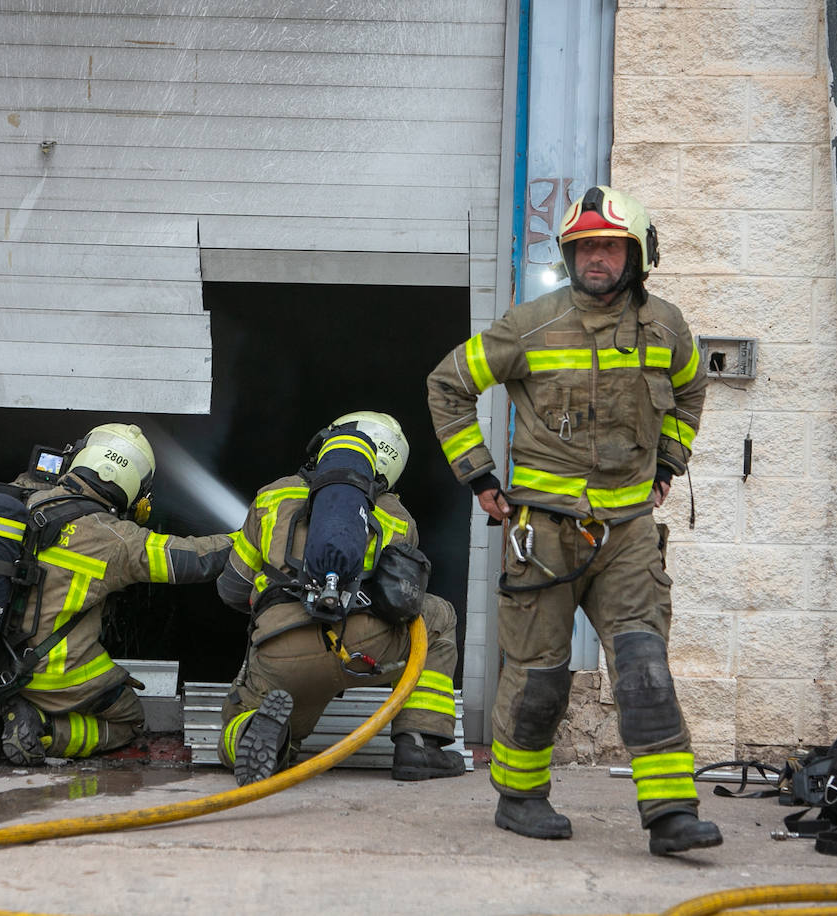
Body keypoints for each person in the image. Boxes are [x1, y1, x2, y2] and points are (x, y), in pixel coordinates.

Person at [427, 186, 719, 855]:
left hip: (628, 534)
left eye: (609, 246)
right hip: (544, 534)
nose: (595, 258)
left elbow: (693, 385)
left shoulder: (668, 328)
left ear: (638, 255)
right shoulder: (529, 326)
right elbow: (447, 384)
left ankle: (671, 812)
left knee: (644, 664)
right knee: (539, 673)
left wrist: (669, 461)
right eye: (584, 246)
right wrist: (478, 474)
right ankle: (520, 798)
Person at [0, 422, 236, 766]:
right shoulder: (117, 539)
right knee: (128, 719)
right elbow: (195, 559)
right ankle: (43, 728)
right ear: (133, 488)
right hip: (52, 676)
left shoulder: (16, 499)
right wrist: (251, 538)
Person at [215, 411, 466, 786]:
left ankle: (257, 731)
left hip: (282, 651)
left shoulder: (273, 495)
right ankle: (419, 744)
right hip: (363, 651)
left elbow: (232, 589)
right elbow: (403, 600)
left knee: (238, 726)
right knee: (437, 616)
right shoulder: (398, 517)